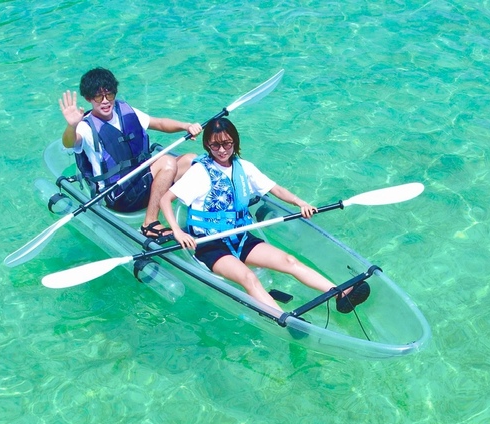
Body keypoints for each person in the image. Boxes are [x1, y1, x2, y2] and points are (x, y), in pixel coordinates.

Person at [159, 117, 370, 313]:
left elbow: (275, 189)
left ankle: (341, 293)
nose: (222, 150)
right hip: (210, 245)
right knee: (248, 277)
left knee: (289, 261)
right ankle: (283, 319)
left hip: (241, 237)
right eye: (215, 145)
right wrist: (177, 231)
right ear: (207, 145)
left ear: (234, 142)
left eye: (227, 143)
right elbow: (165, 199)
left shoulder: (244, 168)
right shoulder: (199, 172)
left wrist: (300, 203)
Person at [58, 68, 201, 241]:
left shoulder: (125, 110)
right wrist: (72, 125)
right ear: (89, 99)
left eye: (109, 95)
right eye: (98, 97)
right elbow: (69, 142)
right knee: (167, 162)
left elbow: (160, 123)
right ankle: (150, 224)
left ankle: (200, 213)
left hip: (141, 181)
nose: (105, 101)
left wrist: (186, 126)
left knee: (192, 161)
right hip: (119, 195)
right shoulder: (85, 127)